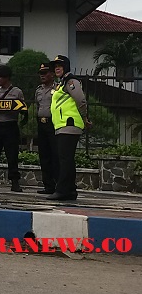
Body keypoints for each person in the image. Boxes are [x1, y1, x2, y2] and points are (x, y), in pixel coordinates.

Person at [47, 55, 91, 201]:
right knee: (67, 159)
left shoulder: (71, 81)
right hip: (63, 126)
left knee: (64, 159)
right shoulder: (61, 83)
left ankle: (62, 190)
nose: (57, 68)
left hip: (69, 124)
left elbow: (81, 100)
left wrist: (85, 117)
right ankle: (70, 190)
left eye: (60, 65)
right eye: (55, 66)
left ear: (66, 66)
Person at [0, 65, 27, 192]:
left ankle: (14, 182)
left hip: (10, 125)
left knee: (12, 155)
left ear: (7, 78)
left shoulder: (17, 92)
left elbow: (23, 109)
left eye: (0, 77)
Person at [34, 63, 59, 194]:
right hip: (41, 124)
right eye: (40, 74)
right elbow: (37, 107)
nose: (42, 76)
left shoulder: (58, 88)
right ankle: (48, 185)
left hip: (53, 124)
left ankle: (57, 185)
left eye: (45, 73)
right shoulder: (38, 90)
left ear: (52, 74)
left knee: (55, 155)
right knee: (44, 156)